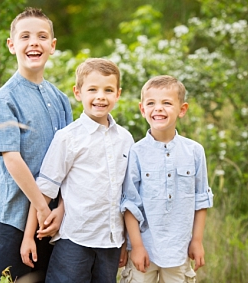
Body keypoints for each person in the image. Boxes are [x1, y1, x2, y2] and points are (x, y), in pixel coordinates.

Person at [0, 7, 73, 283]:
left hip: (53, 220)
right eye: (25, 37)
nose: (34, 42)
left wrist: (59, 210)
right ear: (12, 45)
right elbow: (12, 159)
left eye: (42, 36)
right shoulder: (4, 98)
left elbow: (70, 163)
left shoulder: (60, 99)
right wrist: (42, 209)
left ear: (52, 46)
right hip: (14, 216)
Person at [33, 58, 135, 283]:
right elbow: (45, 189)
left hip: (111, 240)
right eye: (92, 89)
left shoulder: (126, 139)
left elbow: (128, 195)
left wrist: (126, 242)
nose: (101, 96)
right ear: (78, 92)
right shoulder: (68, 137)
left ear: (118, 94)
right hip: (75, 239)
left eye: (108, 90)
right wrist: (28, 237)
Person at [120, 75, 213, 282]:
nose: (158, 108)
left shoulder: (194, 151)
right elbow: (129, 204)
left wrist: (196, 241)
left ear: (182, 109)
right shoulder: (136, 152)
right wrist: (136, 246)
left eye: (167, 103)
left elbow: (201, 200)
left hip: (179, 250)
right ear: (142, 109)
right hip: (144, 248)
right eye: (151, 103)